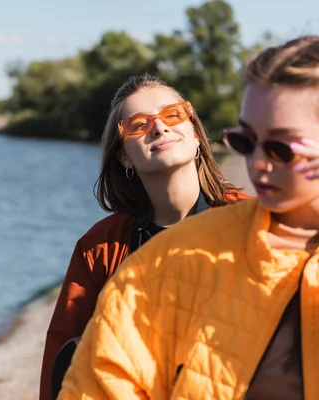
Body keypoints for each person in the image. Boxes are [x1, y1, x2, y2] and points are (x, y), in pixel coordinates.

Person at [58, 35, 319, 400]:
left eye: (279, 145)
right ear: (124, 156)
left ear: (196, 131)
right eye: (246, 142)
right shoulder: (130, 260)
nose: (258, 163)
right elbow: (70, 365)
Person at [40, 73, 249, 400]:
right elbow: (63, 361)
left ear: (195, 134)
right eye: (138, 124)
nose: (159, 127)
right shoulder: (99, 249)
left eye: (172, 114)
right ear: (123, 155)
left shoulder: (254, 225)